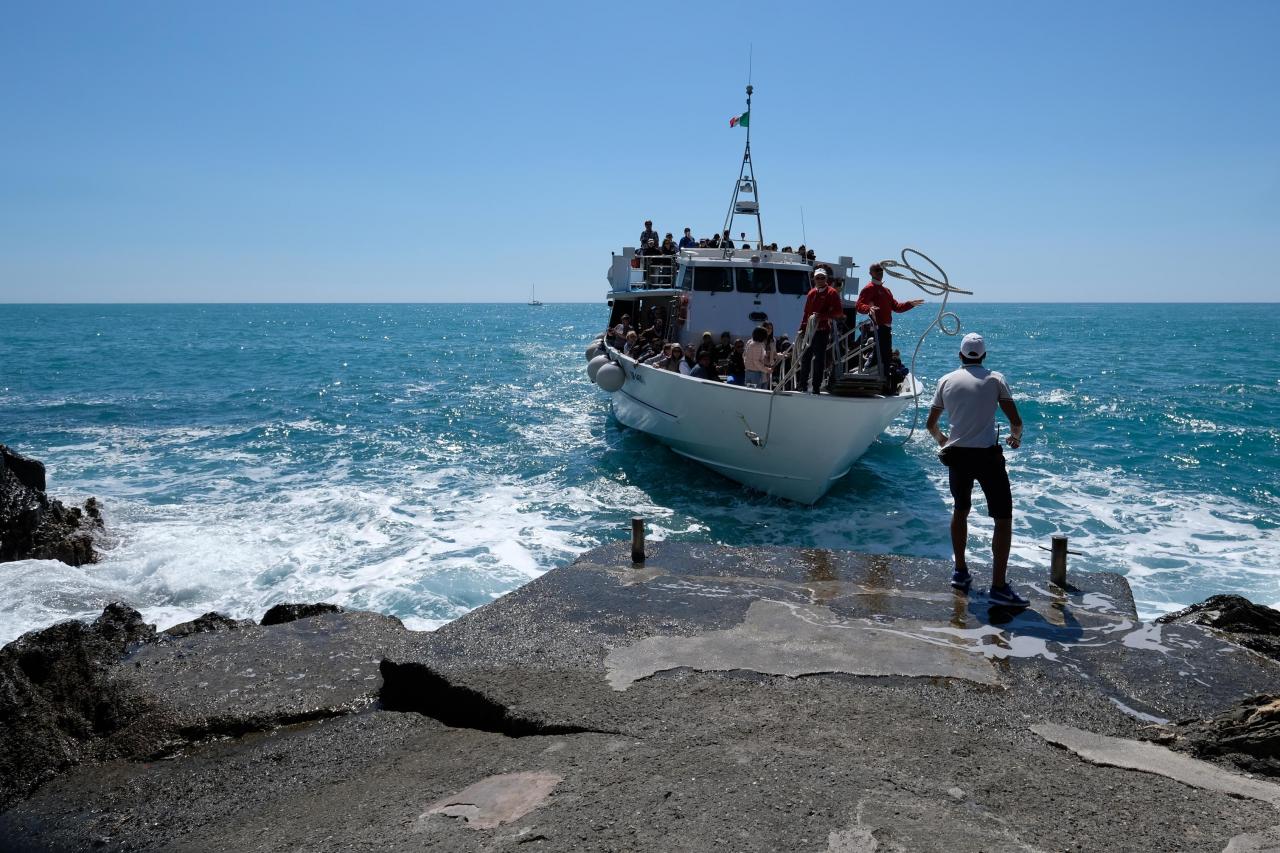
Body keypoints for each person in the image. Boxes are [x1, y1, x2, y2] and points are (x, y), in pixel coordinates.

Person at [926, 333, 1026, 606]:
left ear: (960, 356)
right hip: (987, 457)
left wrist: (943, 440)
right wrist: (1015, 438)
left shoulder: (946, 380)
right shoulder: (995, 379)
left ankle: (960, 571)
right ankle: (999, 586)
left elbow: (931, 424)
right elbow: (1015, 421)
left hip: (957, 456)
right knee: (1002, 518)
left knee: (960, 510)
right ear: (984, 355)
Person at [855, 263, 925, 392]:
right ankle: (876, 382)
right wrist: (868, 308)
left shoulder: (886, 291)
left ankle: (879, 382)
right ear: (871, 273)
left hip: (886, 328)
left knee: (883, 356)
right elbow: (859, 305)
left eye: (881, 270)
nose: (880, 272)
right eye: (877, 270)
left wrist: (910, 304)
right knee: (883, 357)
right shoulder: (869, 288)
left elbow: (896, 307)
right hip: (878, 328)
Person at [795, 268, 843, 393]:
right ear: (814, 279)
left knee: (819, 359)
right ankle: (802, 385)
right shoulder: (811, 293)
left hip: (822, 331)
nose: (820, 280)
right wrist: (802, 328)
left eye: (822, 277)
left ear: (826, 279)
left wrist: (822, 316)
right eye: (818, 278)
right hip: (809, 331)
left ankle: (816, 387)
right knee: (805, 358)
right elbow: (806, 313)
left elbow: (838, 312)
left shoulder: (832, 293)